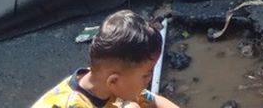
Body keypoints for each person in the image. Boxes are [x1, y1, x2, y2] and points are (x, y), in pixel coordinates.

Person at [32, 10, 181, 108]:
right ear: (114, 81)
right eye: (146, 74)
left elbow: (153, 100)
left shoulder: (106, 80)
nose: (149, 79)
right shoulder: (73, 104)